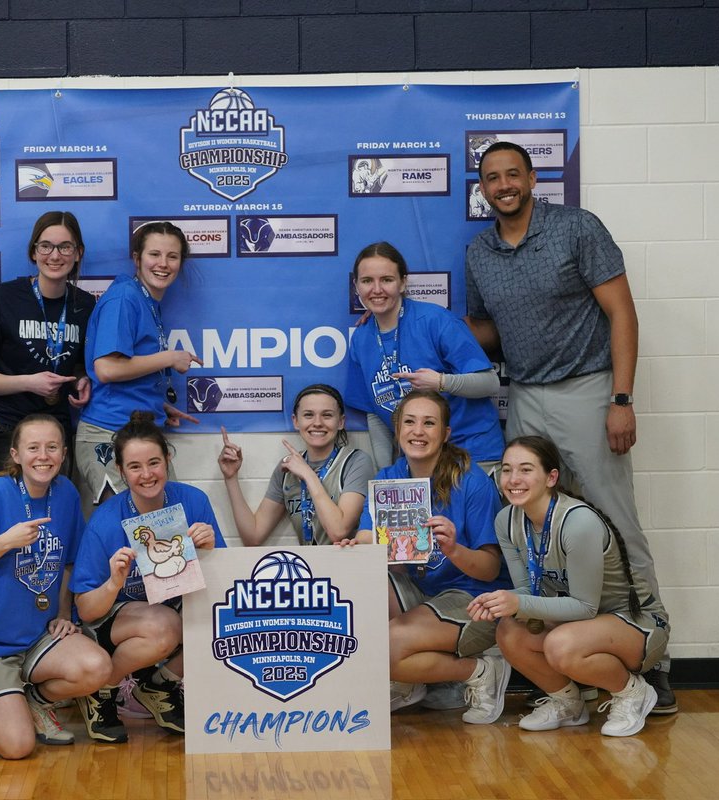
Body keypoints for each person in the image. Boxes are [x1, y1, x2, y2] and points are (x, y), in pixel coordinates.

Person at [464, 140, 674, 713]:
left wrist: (621, 398)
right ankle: (557, 664)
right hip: (526, 395)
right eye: (491, 178)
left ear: (532, 178)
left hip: (588, 387)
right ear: (481, 188)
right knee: (530, 524)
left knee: (615, 521)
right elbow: (486, 331)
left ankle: (653, 662)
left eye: (513, 174)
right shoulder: (479, 251)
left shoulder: (577, 227)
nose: (503, 184)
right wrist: (417, 323)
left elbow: (622, 312)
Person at [468, 436, 670, 737]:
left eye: (525, 470)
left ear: (551, 477)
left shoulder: (577, 522)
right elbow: (528, 590)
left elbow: (585, 607)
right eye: (507, 470)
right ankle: (567, 703)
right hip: (580, 625)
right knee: (509, 632)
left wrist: (518, 603)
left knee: (560, 644)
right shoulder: (506, 520)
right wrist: (500, 599)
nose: (513, 479)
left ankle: (631, 693)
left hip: (636, 623)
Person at [0, 414, 111, 757]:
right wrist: (5, 541)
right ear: (16, 454)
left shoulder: (66, 493)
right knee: (17, 748)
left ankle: (33, 701)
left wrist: (63, 612)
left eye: (52, 447)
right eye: (33, 447)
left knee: (97, 667)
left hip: (37, 637)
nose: (42, 456)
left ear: (63, 455)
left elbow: (69, 561)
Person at [337, 391, 509, 724]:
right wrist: (359, 548)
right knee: (362, 588)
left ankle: (482, 669)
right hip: (423, 592)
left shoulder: (471, 482)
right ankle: (409, 682)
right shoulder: (389, 479)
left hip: (474, 599)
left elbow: (490, 571)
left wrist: (453, 549)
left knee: (382, 646)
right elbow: (371, 541)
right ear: (398, 428)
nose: (418, 431)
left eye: (429, 423)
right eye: (410, 422)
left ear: (445, 433)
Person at [70, 411, 226, 742]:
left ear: (167, 459)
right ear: (121, 471)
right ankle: (100, 689)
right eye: (135, 467)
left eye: (153, 463)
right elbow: (85, 610)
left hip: (169, 607)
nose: (146, 474)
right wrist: (114, 581)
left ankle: (159, 685)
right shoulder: (106, 521)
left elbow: (225, 576)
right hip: (115, 621)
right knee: (165, 625)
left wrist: (210, 548)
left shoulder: (193, 500)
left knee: (224, 616)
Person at [75, 222, 203, 505]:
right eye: (154, 254)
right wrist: (170, 357)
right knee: (135, 535)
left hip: (139, 432)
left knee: (165, 535)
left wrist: (155, 404)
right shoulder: (125, 297)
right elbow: (107, 369)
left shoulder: (147, 301)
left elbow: (128, 368)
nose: (163, 264)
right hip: (108, 433)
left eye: (172, 256)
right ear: (137, 258)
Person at [346, 241, 503, 471]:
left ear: (403, 283)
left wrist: (441, 382)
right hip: (418, 462)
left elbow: (490, 383)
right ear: (356, 286)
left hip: (472, 455)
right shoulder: (361, 338)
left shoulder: (434, 321)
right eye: (367, 281)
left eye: (387, 280)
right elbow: (376, 413)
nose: (376, 289)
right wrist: (386, 473)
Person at [0, 211, 96, 485]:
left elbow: (79, 365)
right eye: (46, 246)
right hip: (5, 429)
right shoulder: (2, 297)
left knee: (52, 518)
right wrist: (29, 383)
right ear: (33, 252)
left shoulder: (85, 305)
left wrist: (83, 381)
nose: (55, 255)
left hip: (54, 431)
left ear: (78, 253)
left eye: (65, 247)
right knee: (1, 517)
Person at [218, 383, 375, 546]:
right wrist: (231, 478)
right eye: (308, 415)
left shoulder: (356, 461)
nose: (317, 423)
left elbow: (338, 531)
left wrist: (308, 474)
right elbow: (253, 537)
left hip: (348, 566)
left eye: (327, 415)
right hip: (308, 568)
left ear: (341, 422)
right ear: (295, 421)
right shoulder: (288, 467)